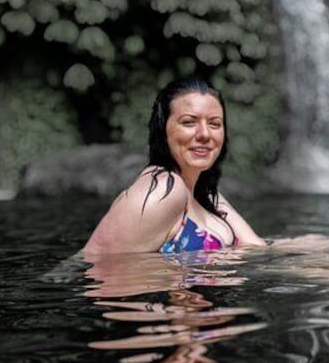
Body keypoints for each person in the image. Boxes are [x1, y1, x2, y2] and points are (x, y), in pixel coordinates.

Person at [84, 78, 265, 255]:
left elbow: (257, 248)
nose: (204, 134)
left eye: (214, 123)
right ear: (163, 130)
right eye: (189, 122)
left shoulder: (205, 193)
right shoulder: (163, 189)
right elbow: (100, 267)